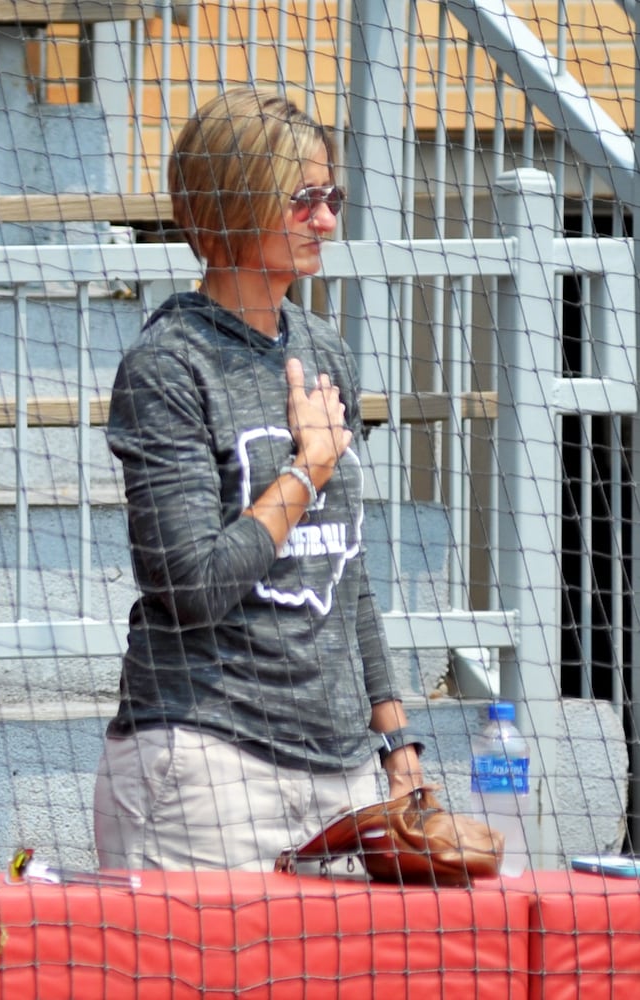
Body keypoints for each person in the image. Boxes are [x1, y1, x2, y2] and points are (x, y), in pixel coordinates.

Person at [92, 86, 425, 872]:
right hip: (206, 763)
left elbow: (344, 571)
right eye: (302, 199)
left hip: (339, 769)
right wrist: (305, 471)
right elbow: (189, 581)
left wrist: (394, 735)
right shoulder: (169, 365)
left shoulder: (321, 349)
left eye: (330, 197)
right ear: (234, 204)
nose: (326, 220)